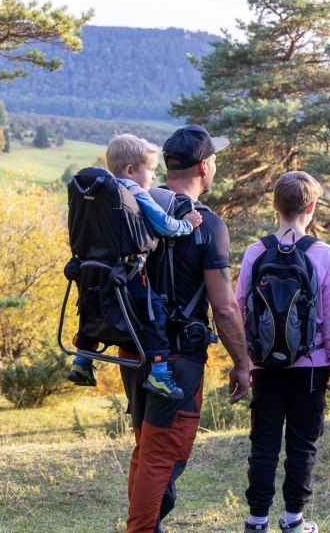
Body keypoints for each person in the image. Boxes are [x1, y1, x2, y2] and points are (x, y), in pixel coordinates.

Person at [120, 124, 251, 533]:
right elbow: (225, 307)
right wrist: (243, 362)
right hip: (177, 358)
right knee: (163, 453)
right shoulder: (207, 225)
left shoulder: (139, 205)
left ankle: (147, 524)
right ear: (204, 166)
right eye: (215, 161)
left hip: (133, 350)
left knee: (148, 447)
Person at [234, 171, 330, 533]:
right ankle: (294, 518)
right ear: (311, 207)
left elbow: (239, 310)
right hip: (310, 364)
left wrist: (246, 363)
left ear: (274, 205)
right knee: (302, 442)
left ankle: (257, 519)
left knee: (263, 441)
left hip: (265, 364)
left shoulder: (256, 252)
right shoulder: (323, 254)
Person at [68, 134, 204, 399]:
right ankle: (160, 373)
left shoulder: (95, 194)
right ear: (131, 171)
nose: (154, 178)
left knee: (89, 309)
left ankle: (82, 362)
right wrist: (188, 223)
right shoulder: (134, 192)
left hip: (91, 272)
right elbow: (165, 224)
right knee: (155, 314)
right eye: (151, 170)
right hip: (127, 273)